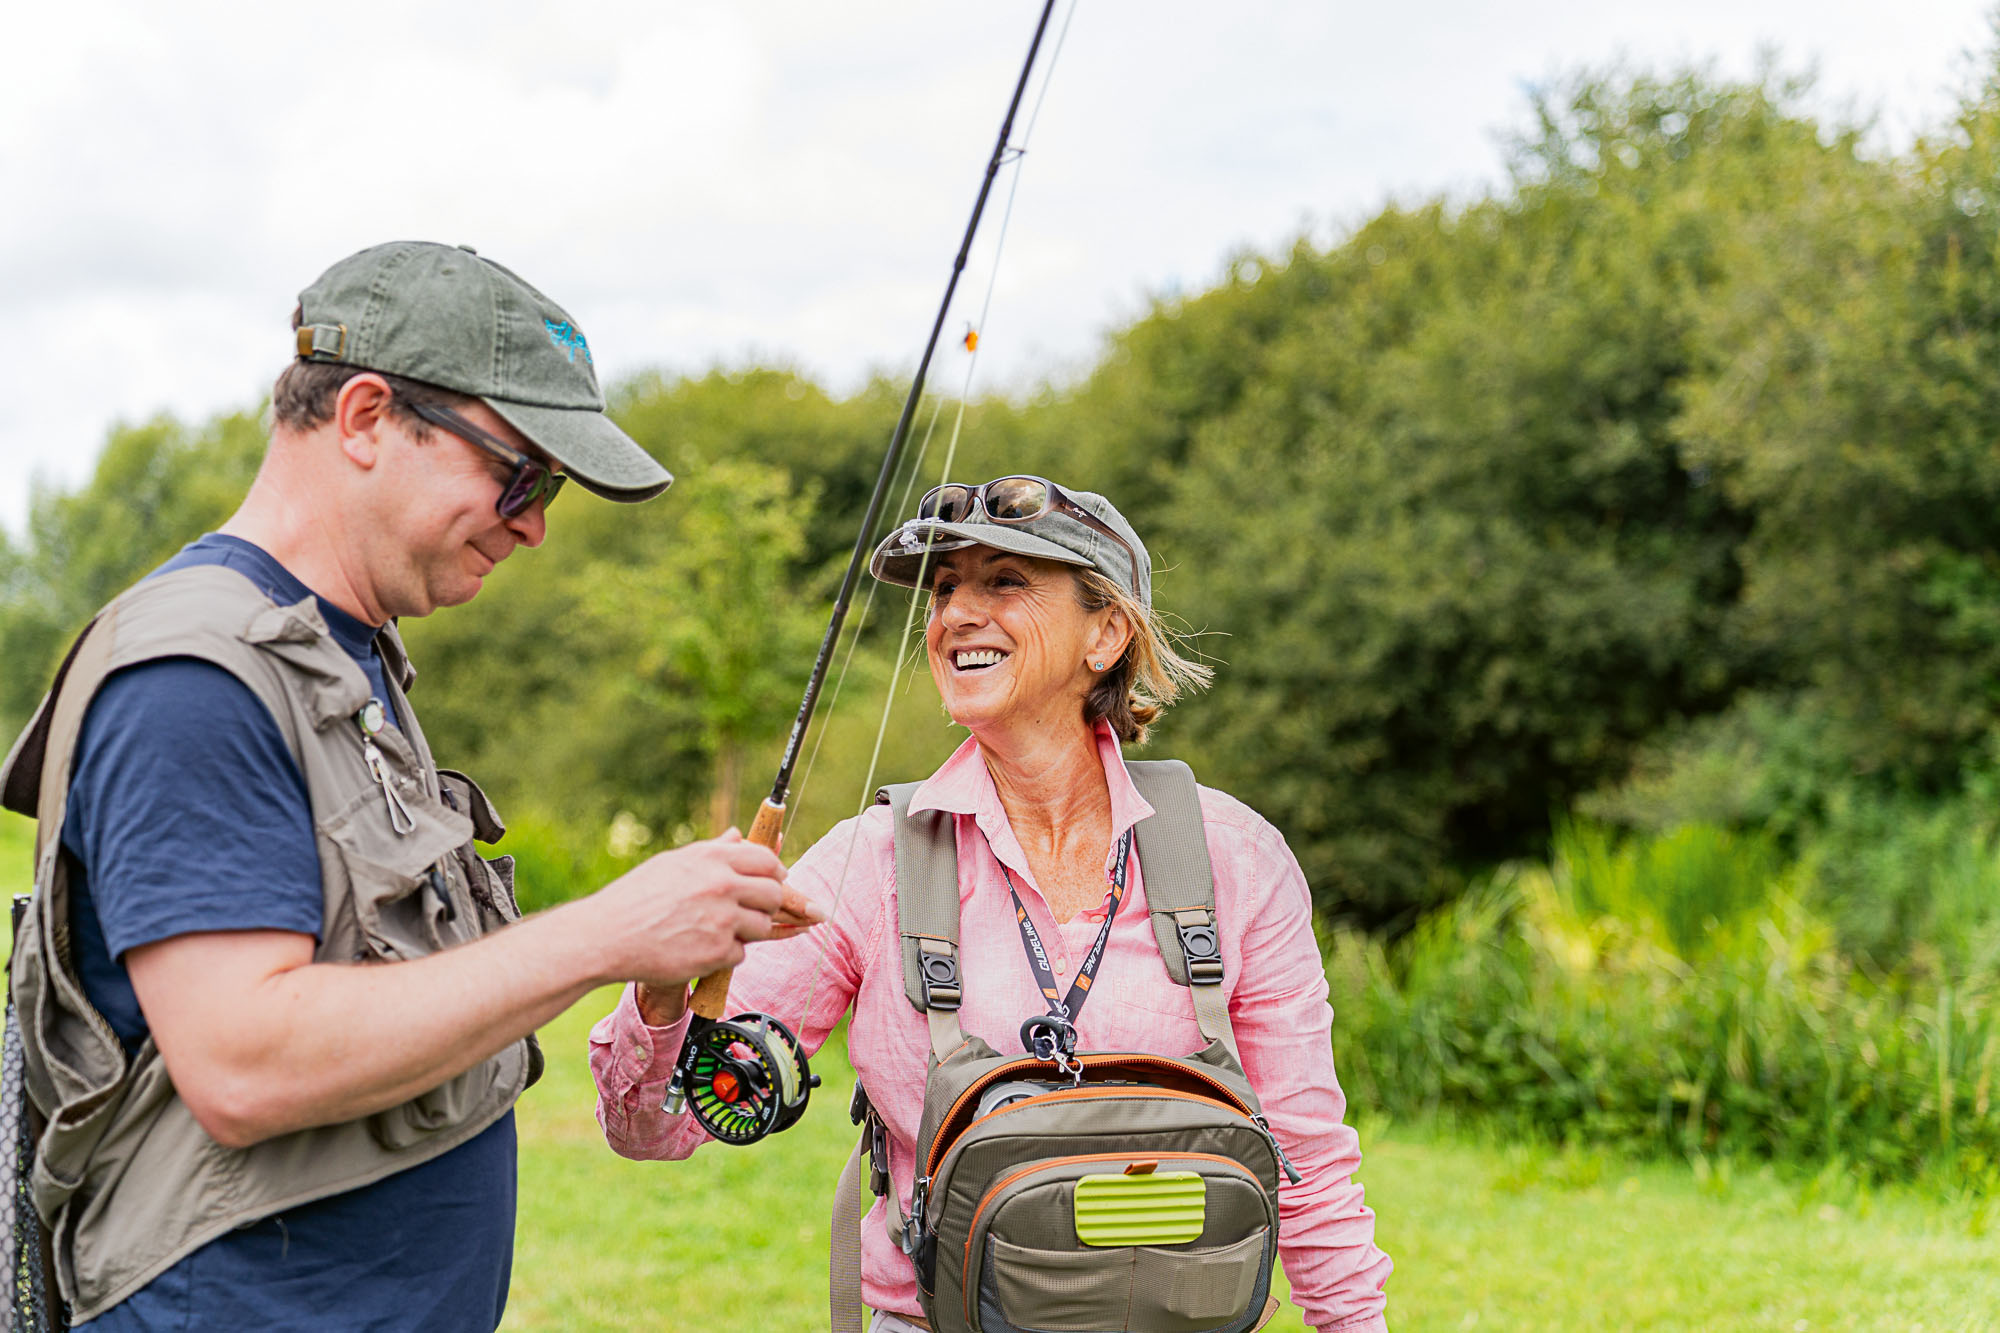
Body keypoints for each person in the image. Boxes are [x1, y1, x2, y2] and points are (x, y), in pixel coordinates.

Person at [0, 240, 818, 1331]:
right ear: (366, 419)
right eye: (519, 474)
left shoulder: (345, 651)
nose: (534, 524)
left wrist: (659, 934)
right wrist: (609, 932)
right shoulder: (194, 678)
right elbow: (242, 1062)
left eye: (551, 491)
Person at [590, 476, 1393, 1332]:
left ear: (1107, 633)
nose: (955, 615)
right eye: (943, 589)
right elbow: (655, 1130)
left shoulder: (1236, 857)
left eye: (1005, 581)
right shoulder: (873, 862)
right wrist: (665, 988)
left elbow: (1308, 1164)